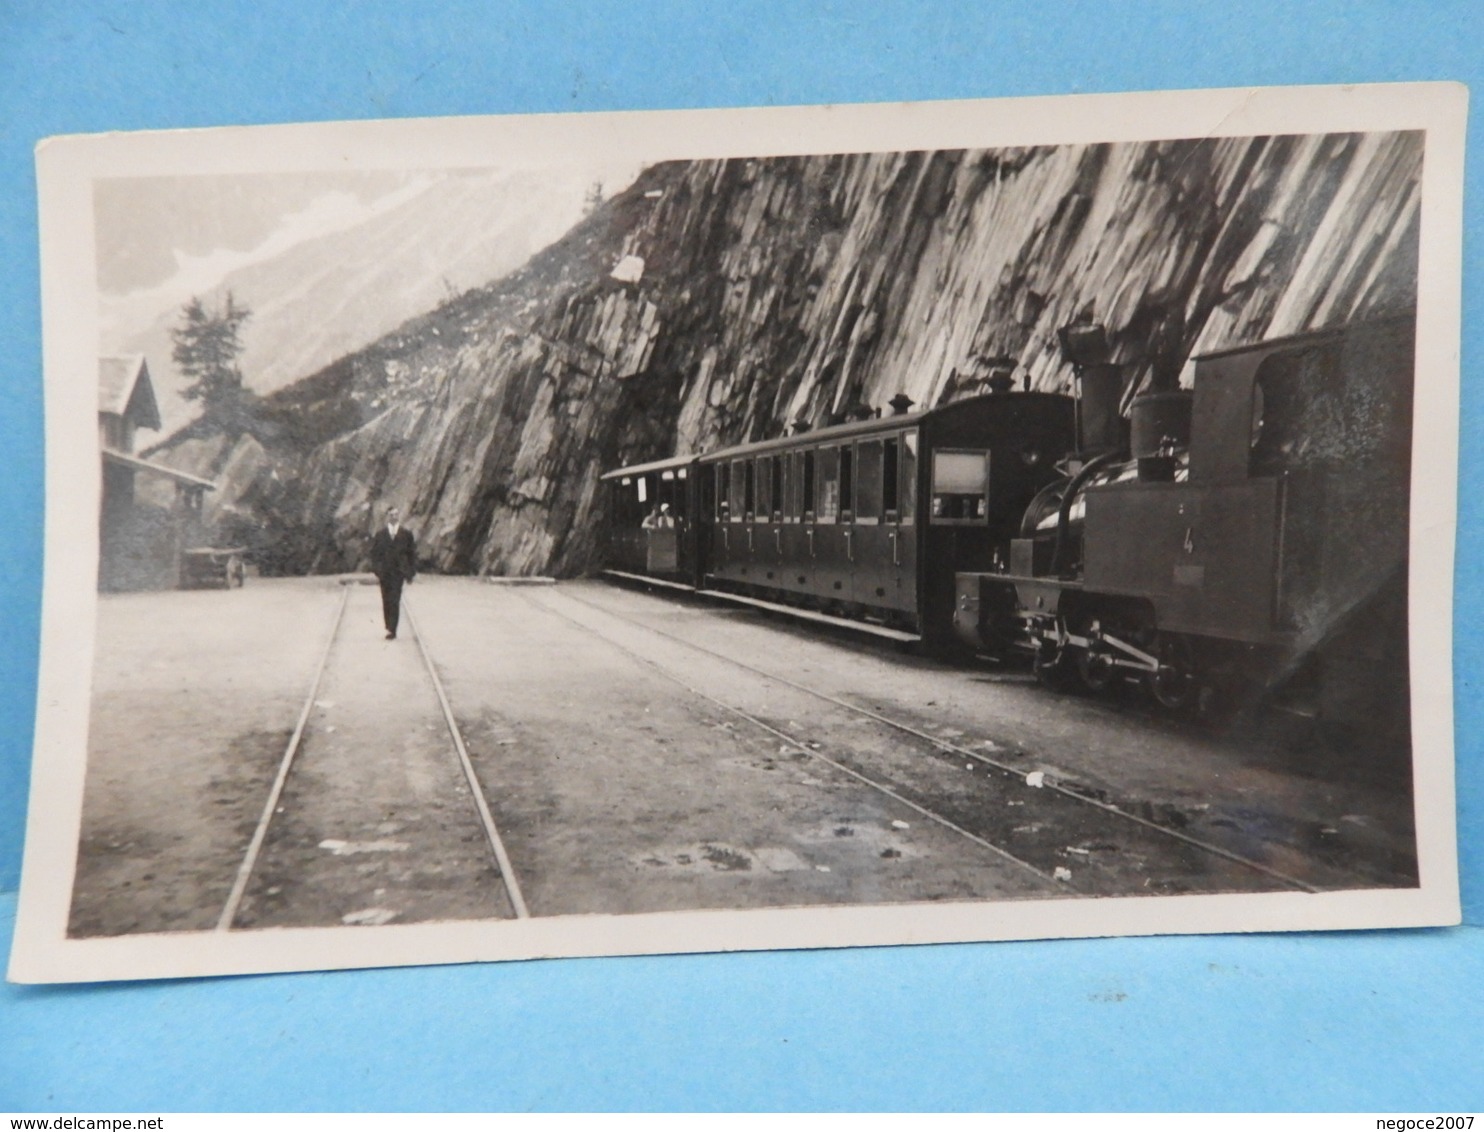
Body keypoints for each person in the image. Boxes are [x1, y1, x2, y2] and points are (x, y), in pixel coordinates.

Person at [369, 506, 416, 639]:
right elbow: (374, 554)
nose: (394, 517)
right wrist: (377, 570)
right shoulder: (381, 535)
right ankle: (389, 625)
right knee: (386, 600)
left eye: (396, 515)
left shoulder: (406, 534)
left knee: (395, 599)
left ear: (398, 516)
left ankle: (393, 629)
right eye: (391, 515)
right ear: (387, 517)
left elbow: (411, 554)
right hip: (385, 573)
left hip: (398, 573)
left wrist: (410, 573)